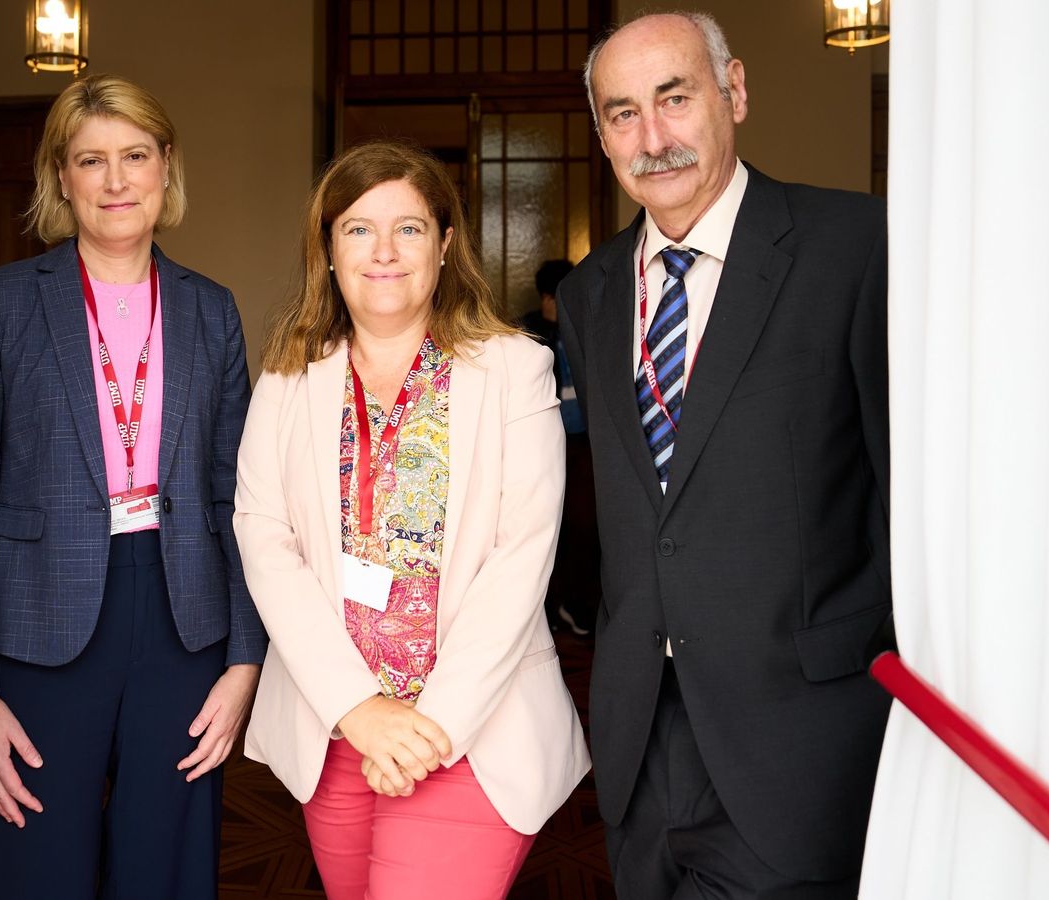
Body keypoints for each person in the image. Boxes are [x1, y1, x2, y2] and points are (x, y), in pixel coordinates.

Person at [559, 12, 892, 899]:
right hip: (640, 748)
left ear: (734, 91)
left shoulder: (855, 248)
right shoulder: (589, 294)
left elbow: (908, 500)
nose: (652, 137)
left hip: (799, 742)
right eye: (623, 114)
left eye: (674, 98)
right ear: (602, 134)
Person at [0, 75, 264, 899]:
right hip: (36, 626)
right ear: (62, 176)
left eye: (135, 156)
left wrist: (246, 660)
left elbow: (240, 498)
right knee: (37, 864)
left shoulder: (211, 310)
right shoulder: (3, 305)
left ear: (165, 166)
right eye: (91, 160)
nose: (116, 180)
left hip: (185, 623)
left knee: (166, 869)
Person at [234, 140, 590, 900]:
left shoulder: (515, 368)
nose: (384, 251)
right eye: (359, 229)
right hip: (336, 726)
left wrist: (431, 730)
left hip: (471, 729)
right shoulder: (288, 378)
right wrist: (358, 710)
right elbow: (264, 539)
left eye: (409, 228)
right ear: (329, 249)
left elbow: (521, 556)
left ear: (446, 244)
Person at [519, 259, 598, 636]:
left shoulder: (587, 325)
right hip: (542, 443)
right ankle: (546, 608)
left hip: (584, 441)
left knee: (585, 525)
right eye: (553, 298)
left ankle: (577, 603)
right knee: (541, 525)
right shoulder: (528, 332)